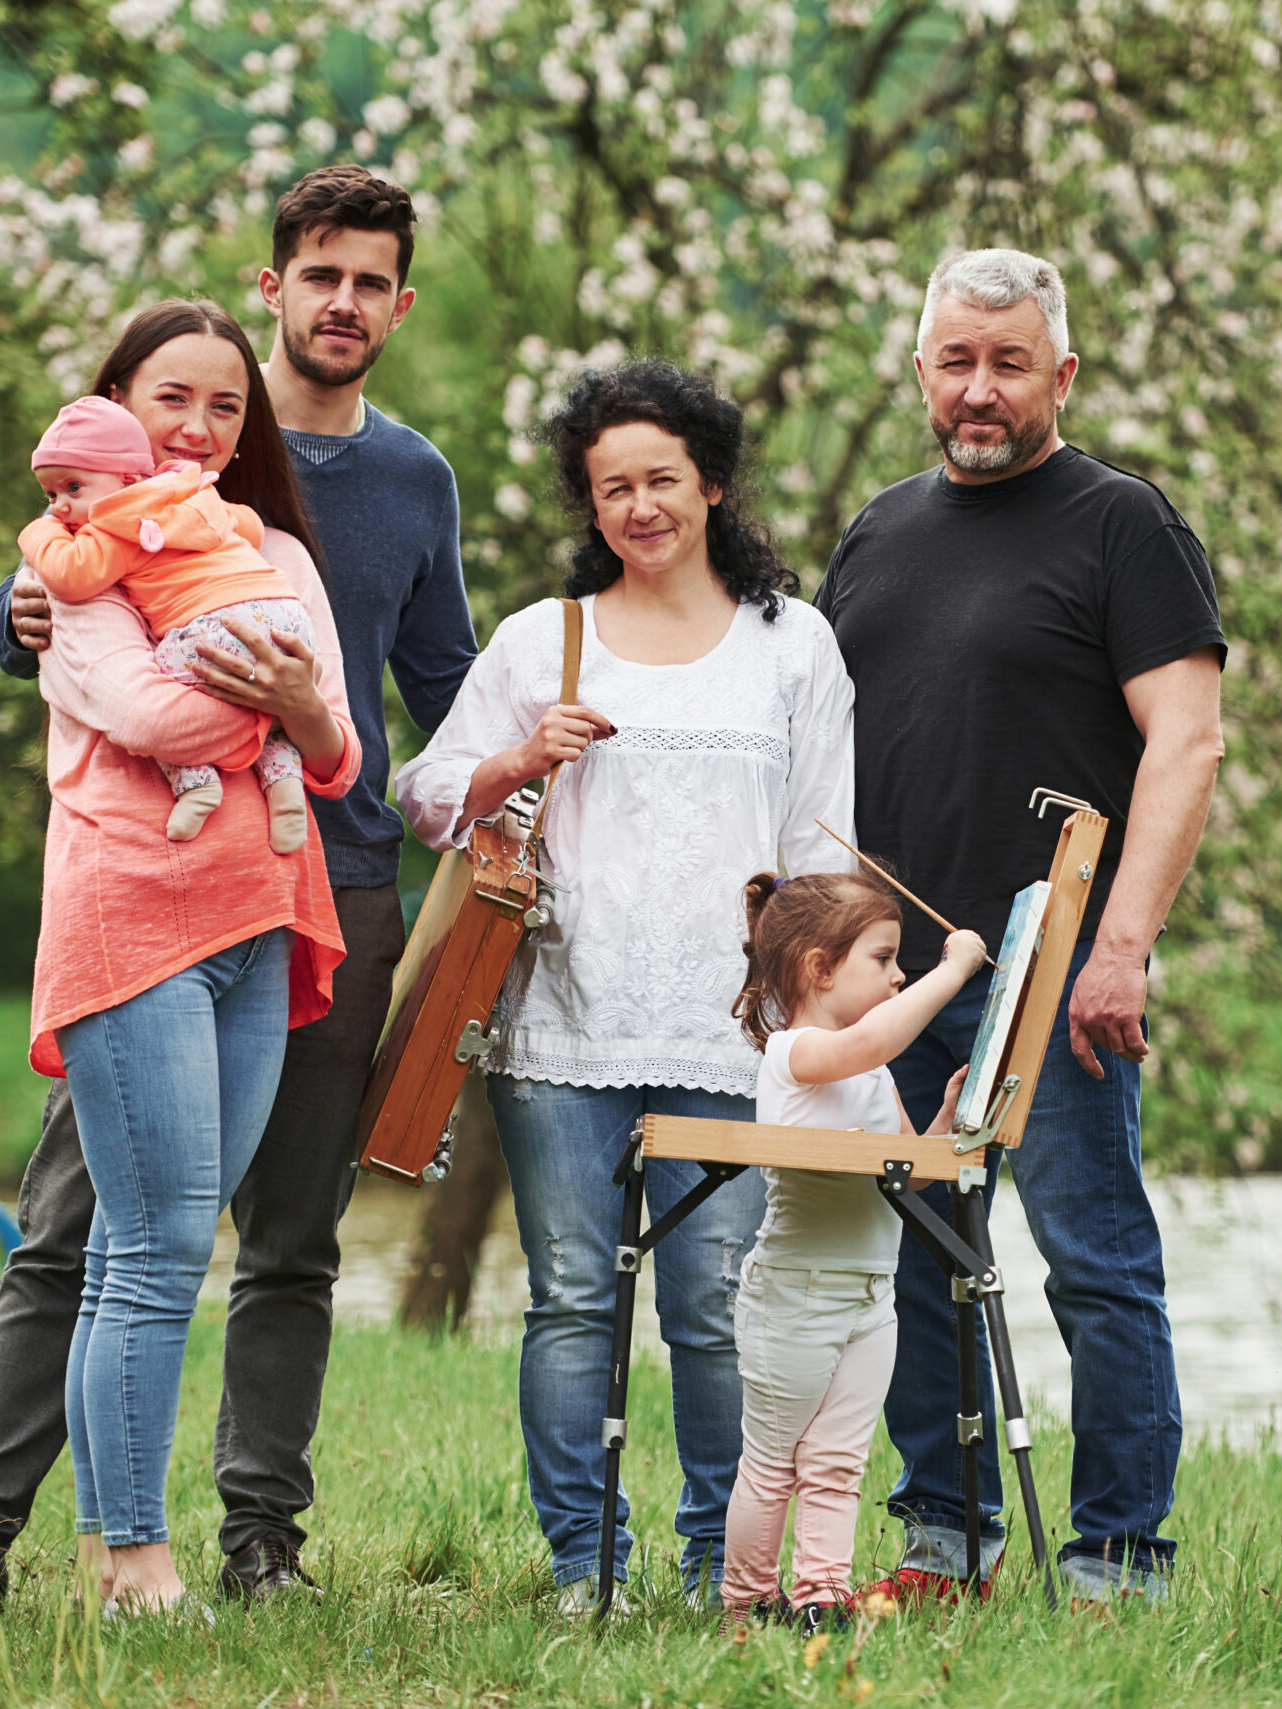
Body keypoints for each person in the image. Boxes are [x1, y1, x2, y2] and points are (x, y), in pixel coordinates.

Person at [0, 166, 477, 1611]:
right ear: (276, 282)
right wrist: (5, 613)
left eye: (371, 282)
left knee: (288, 1242)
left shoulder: (406, 483)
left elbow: (442, 686)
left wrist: (507, 787)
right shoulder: (154, 454)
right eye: (319, 274)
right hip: (147, 888)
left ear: (399, 305)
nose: (343, 302)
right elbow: (57, 591)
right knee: (76, 1229)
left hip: (325, 880)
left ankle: (260, 1539)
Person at [395, 359, 857, 1614]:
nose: (640, 507)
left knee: (714, 1303)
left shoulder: (791, 643)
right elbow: (425, 795)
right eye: (612, 487)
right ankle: (582, 1560)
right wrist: (512, 757)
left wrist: (814, 1028)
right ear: (587, 502)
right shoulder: (543, 637)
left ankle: (724, 1559)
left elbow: (823, 851)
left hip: (729, 1036)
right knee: (572, 1297)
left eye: (662, 479)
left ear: (712, 484)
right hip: (561, 1024)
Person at [814, 248, 1226, 1604]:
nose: (978, 389)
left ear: (1062, 373)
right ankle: (950, 1538)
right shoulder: (875, 533)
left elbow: (1187, 742)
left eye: (1007, 363)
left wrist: (1120, 947)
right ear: (920, 369)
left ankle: (1119, 1555)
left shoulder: (1125, 526)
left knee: (1095, 1265)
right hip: (900, 979)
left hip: (1054, 971)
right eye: (955, 360)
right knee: (918, 1259)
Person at [18, 314, 361, 1614]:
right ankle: (133, 1558)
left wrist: (304, 707)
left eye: (227, 408)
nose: (201, 430)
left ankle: (123, 1549)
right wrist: (278, 694)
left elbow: (340, 757)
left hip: (258, 929)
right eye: (175, 399)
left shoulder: (268, 549)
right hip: (134, 920)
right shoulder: (77, 566)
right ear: (116, 402)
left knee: (164, 1245)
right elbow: (144, 712)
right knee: (153, 1249)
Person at [717, 870, 987, 1636]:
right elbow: (873, 1036)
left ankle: (818, 1599)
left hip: (871, 1298)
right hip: (794, 1296)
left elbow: (909, 1168)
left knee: (837, 1464)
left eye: (903, 961)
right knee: (773, 1463)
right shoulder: (797, 1052)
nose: (899, 973)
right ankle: (745, 1603)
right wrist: (953, 968)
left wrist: (941, 1120)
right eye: (885, 958)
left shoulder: (872, 1068)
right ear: (818, 967)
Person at [20, 394, 318, 850]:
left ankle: (196, 782)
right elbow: (251, 528)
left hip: (217, 625)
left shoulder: (116, 523)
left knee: (163, 683)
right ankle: (284, 783)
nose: (60, 506)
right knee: (265, 699)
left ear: (125, 478)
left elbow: (72, 575)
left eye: (73, 488)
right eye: (51, 495)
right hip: (285, 617)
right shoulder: (193, 492)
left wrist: (38, 531)